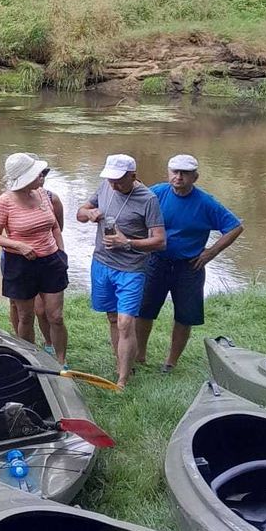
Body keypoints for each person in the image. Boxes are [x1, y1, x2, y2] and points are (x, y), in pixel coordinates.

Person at [137, 154, 243, 373]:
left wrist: (210, 253)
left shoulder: (206, 202)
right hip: (156, 262)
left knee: (184, 316)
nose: (179, 177)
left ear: (195, 176)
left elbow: (234, 227)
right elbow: (135, 212)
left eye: (185, 173)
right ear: (168, 173)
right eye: (174, 172)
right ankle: (139, 355)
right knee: (144, 311)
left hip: (190, 266)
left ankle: (171, 362)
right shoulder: (156, 193)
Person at [76, 153, 165, 390]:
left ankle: (122, 381)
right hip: (102, 263)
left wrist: (127, 243)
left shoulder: (148, 199)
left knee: (126, 322)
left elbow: (159, 241)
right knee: (113, 318)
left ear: (133, 175)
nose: (113, 184)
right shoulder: (106, 186)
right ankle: (121, 364)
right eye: (110, 179)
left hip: (131, 269)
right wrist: (90, 213)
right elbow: (80, 212)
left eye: (118, 180)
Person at [0, 153, 69, 363]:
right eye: (36, 174)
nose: (41, 177)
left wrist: (61, 253)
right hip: (20, 264)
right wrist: (19, 245)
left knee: (56, 316)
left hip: (51, 261)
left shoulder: (43, 195)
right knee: (25, 316)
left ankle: (61, 361)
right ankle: (31, 360)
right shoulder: (4, 202)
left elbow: (54, 227)